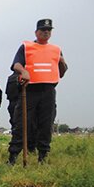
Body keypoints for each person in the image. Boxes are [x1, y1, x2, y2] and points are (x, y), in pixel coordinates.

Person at [7, 19, 67, 164]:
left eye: (49, 30)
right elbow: (16, 64)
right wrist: (23, 71)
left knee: (46, 124)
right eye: (43, 30)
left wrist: (62, 62)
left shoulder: (56, 49)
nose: (46, 32)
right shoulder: (27, 47)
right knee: (21, 123)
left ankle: (43, 156)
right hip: (30, 90)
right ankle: (13, 156)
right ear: (36, 32)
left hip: (48, 90)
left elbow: (62, 71)